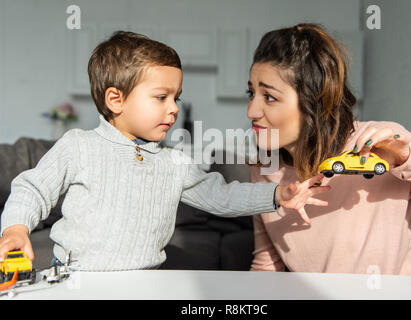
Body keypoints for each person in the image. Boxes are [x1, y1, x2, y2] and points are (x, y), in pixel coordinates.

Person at [0, 31, 330, 271]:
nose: (172, 108)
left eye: (177, 98)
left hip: (148, 282)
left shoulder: (175, 161)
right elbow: (32, 188)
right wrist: (16, 227)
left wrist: (277, 195)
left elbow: (222, 196)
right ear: (116, 100)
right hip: (77, 278)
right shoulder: (78, 146)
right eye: (161, 97)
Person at [247, 23, 411, 275]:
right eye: (251, 93)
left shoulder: (385, 144)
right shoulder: (263, 168)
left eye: (269, 97)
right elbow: (268, 266)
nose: (251, 112)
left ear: (314, 100)